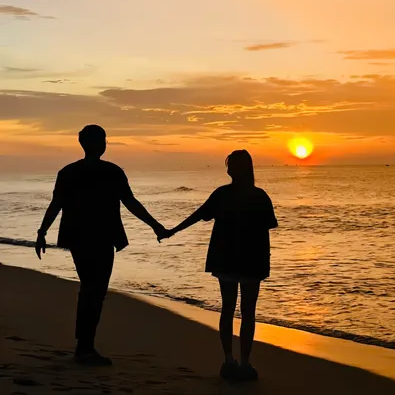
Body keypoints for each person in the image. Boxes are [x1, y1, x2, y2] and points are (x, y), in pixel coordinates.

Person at [35, 124, 168, 366]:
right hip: (100, 237)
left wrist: (42, 232)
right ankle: (85, 347)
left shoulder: (69, 172)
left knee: (90, 288)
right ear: (94, 144)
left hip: (80, 237)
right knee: (94, 290)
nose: (104, 144)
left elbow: (56, 204)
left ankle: (84, 344)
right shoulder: (111, 172)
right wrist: (155, 226)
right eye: (102, 140)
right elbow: (130, 203)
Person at [169, 150, 278, 381]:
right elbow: (267, 227)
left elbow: (199, 215)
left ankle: (229, 360)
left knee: (228, 308)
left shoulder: (222, 195)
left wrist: (173, 231)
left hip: (226, 258)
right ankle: (245, 363)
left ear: (231, 169)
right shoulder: (259, 196)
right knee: (248, 312)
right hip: (252, 260)